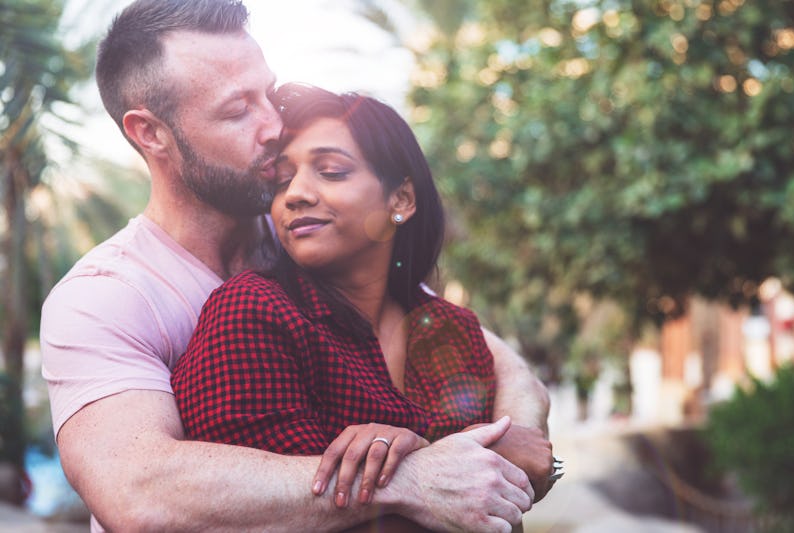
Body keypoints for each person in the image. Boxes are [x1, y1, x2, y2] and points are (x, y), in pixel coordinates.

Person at [39, 1, 554, 531]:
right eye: (238, 109)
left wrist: (512, 440)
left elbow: (497, 360)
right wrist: (408, 479)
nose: (273, 125)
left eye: (269, 93)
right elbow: (139, 493)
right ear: (150, 133)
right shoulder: (106, 296)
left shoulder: (311, 236)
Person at [171, 85, 547, 523]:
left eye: (331, 171)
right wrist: (429, 459)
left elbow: (499, 500)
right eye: (283, 180)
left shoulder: (454, 329)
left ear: (401, 200)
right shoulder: (252, 313)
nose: (295, 195)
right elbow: (264, 512)